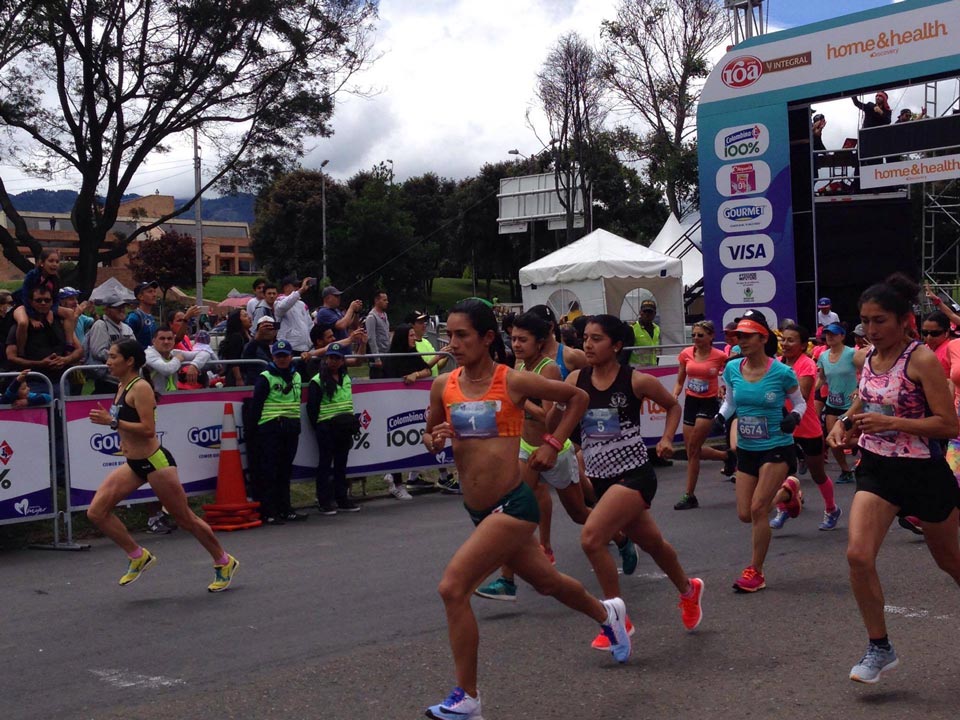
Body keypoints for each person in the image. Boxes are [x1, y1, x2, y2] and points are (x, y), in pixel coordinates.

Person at [421, 300, 632, 720]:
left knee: (452, 587)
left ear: (486, 338)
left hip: (513, 505)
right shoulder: (443, 384)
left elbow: (577, 397)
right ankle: (607, 613)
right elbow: (431, 431)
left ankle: (468, 697)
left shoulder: (512, 381)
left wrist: (554, 446)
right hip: (479, 510)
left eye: (463, 335)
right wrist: (435, 439)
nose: (453, 343)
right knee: (549, 583)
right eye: (450, 335)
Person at [826, 272, 960, 684]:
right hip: (878, 469)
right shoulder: (864, 358)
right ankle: (879, 647)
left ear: (904, 320)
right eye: (864, 321)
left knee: (950, 563)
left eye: (879, 320)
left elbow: (949, 424)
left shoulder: (920, 359)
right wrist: (846, 423)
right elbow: (862, 399)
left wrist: (892, 421)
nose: (870, 330)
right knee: (857, 555)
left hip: (923, 472)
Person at [561, 313, 703, 652]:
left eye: (597, 338)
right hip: (600, 479)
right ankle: (688, 590)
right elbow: (560, 416)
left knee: (592, 539)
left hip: (635, 474)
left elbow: (672, 407)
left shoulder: (635, 380)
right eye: (586, 338)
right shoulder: (578, 380)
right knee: (653, 543)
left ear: (617, 345)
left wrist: (668, 438)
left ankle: (615, 619)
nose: (588, 344)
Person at [474, 311, 637, 602]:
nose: (517, 345)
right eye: (513, 339)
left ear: (540, 342)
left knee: (578, 513)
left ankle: (621, 538)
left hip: (554, 448)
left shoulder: (548, 370)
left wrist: (521, 403)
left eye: (523, 340)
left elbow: (550, 419)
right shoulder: (520, 365)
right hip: (526, 448)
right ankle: (507, 581)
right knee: (512, 510)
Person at [85, 338, 239, 592]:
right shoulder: (122, 385)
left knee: (185, 519)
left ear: (129, 361)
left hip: (156, 463)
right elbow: (124, 419)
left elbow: (148, 430)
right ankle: (138, 555)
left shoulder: (141, 387)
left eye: (113, 357)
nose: (108, 361)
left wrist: (111, 423)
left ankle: (224, 561)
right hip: (134, 463)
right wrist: (112, 419)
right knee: (96, 512)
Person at [716, 309, 806, 592]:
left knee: (757, 509)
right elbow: (731, 402)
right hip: (747, 448)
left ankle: (756, 571)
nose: (740, 340)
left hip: (777, 446)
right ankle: (788, 492)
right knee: (745, 513)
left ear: (762, 337)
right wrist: (720, 417)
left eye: (746, 335)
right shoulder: (732, 368)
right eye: (738, 335)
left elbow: (800, 403)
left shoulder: (782, 372)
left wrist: (794, 418)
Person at [772, 324, 842, 531]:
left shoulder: (806, 365)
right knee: (777, 471)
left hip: (806, 426)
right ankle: (783, 508)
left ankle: (831, 509)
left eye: (791, 340)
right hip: (782, 427)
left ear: (803, 345)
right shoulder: (775, 363)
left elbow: (800, 395)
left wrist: (769, 393)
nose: (785, 344)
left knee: (817, 474)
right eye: (783, 339)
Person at [672, 320, 736, 509]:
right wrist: (674, 395)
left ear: (711, 337)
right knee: (693, 450)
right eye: (694, 335)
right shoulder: (685, 354)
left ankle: (689, 494)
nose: (696, 339)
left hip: (708, 403)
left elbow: (731, 374)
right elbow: (680, 379)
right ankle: (726, 456)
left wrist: (725, 388)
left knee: (693, 449)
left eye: (700, 335)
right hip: (691, 401)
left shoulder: (720, 356)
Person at [249, 339, 307, 524]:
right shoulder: (266, 377)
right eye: (278, 356)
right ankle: (269, 511)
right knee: (270, 470)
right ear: (273, 357)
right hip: (271, 426)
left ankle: (286, 508)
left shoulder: (296, 375)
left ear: (291, 357)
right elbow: (256, 405)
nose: (282, 359)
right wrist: (255, 430)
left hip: (291, 427)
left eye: (285, 356)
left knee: (285, 470)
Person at [307, 341, 362, 515]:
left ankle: (341, 498)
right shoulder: (317, 381)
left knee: (341, 464)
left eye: (337, 358)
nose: (334, 362)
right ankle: (324, 500)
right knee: (325, 464)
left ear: (342, 360)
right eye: (331, 358)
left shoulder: (345, 377)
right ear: (325, 359)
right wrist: (320, 427)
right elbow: (312, 409)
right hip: (327, 427)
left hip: (344, 427)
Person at [381, 323, 432, 500]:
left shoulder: (412, 354)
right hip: (394, 405)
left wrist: (416, 375)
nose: (413, 338)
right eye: (410, 335)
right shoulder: (391, 357)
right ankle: (397, 483)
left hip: (410, 405)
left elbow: (427, 369)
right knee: (395, 444)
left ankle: (403, 476)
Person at [5, 285, 83, 395]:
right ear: (30, 302)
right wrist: (40, 363)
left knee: (61, 412)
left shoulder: (62, 323)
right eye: (38, 300)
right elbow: (11, 356)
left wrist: (66, 359)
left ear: (53, 302)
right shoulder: (20, 326)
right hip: (33, 383)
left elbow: (79, 350)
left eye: (47, 300)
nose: (43, 303)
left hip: (60, 382)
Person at [817, 323, 858, 484]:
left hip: (851, 405)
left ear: (842, 336)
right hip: (832, 404)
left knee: (844, 441)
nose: (829, 337)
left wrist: (859, 387)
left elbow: (866, 371)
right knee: (832, 441)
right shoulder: (823, 356)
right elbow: (822, 378)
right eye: (827, 334)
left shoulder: (851, 354)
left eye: (833, 334)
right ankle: (845, 470)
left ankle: (865, 443)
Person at [85, 293, 136, 395]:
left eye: (123, 306)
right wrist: (123, 358)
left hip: (125, 380)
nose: (122, 309)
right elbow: (98, 352)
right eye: (117, 307)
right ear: (107, 309)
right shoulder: (100, 325)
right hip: (107, 381)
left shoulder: (127, 328)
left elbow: (136, 349)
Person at [274, 275, 315, 353]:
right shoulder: (279, 301)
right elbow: (283, 306)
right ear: (286, 287)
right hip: (289, 347)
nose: (297, 288)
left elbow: (310, 325)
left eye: (298, 286)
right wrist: (301, 290)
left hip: (305, 347)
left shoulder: (302, 304)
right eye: (295, 285)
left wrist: (311, 344)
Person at [218, 309, 252, 387]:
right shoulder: (236, 337)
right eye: (245, 316)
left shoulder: (249, 334)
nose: (249, 318)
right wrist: (239, 379)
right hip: (238, 377)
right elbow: (234, 359)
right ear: (237, 321)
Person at [241, 315, 277, 385]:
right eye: (263, 328)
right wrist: (257, 338)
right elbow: (246, 359)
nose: (267, 331)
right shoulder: (251, 346)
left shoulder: (280, 345)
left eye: (270, 328)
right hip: (258, 383)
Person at [364, 289, 390, 378]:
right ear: (376, 300)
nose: (387, 302)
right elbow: (371, 338)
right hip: (378, 355)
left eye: (387, 300)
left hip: (386, 354)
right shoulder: (371, 317)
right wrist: (377, 358)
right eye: (384, 300)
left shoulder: (384, 315)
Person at [126, 281, 159, 349]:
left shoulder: (151, 317)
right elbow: (126, 342)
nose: (154, 294)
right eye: (150, 292)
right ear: (140, 297)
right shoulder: (134, 317)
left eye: (154, 291)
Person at [630, 298, 660, 367]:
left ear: (654, 314)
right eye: (645, 311)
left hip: (653, 367)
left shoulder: (657, 329)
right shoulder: (632, 328)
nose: (647, 314)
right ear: (640, 313)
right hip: (637, 368)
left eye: (650, 312)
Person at [921, 310, 952, 376]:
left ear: (947, 332)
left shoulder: (951, 350)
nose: (929, 337)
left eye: (934, 333)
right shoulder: (923, 349)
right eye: (925, 333)